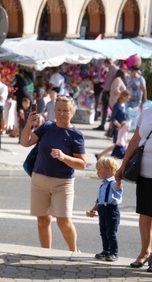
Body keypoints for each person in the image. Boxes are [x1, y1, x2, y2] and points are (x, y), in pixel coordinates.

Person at [20, 96, 86, 252]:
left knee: (64, 222)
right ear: (54, 111)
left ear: (72, 112)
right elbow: (25, 142)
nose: (62, 113)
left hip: (63, 182)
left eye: (66, 110)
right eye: (59, 110)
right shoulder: (47, 127)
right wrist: (29, 124)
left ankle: (73, 251)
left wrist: (64, 157)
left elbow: (82, 164)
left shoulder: (76, 135)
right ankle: (46, 253)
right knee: (42, 221)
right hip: (39, 179)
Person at [116, 104, 152, 271]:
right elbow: (136, 140)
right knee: (145, 213)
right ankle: (145, 252)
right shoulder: (146, 113)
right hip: (144, 172)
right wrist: (123, 165)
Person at [89, 157, 123, 262]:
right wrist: (95, 208)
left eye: (99, 170)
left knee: (111, 232)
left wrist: (118, 180)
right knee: (103, 231)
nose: (97, 172)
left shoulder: (113, 182)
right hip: (102, 209)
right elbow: (99, 198)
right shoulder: (104, 183)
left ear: (108, 170)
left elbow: (117, 187)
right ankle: (106, 250)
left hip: (111, 210)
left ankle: (114, 252)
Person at [96, 90, 131, 161]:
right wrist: (119, 125)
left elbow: (126, 116)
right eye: (127, 97)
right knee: (118, 145)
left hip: (124, 129)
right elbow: (113, 117)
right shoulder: (117, 105)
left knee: (118, 145)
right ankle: (110, 160)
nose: (128, 99)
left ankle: (101, 155)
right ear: (123, 96)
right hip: (118, 129)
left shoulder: (125, 105)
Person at [96, 58, 119, 131]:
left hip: (110, 91)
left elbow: (116, 80)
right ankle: (102, 124)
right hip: (105, 90)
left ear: (107, 62)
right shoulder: (108, 69)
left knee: (113, 109)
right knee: (104, 109)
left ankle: (114, 126)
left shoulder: (115, 69)